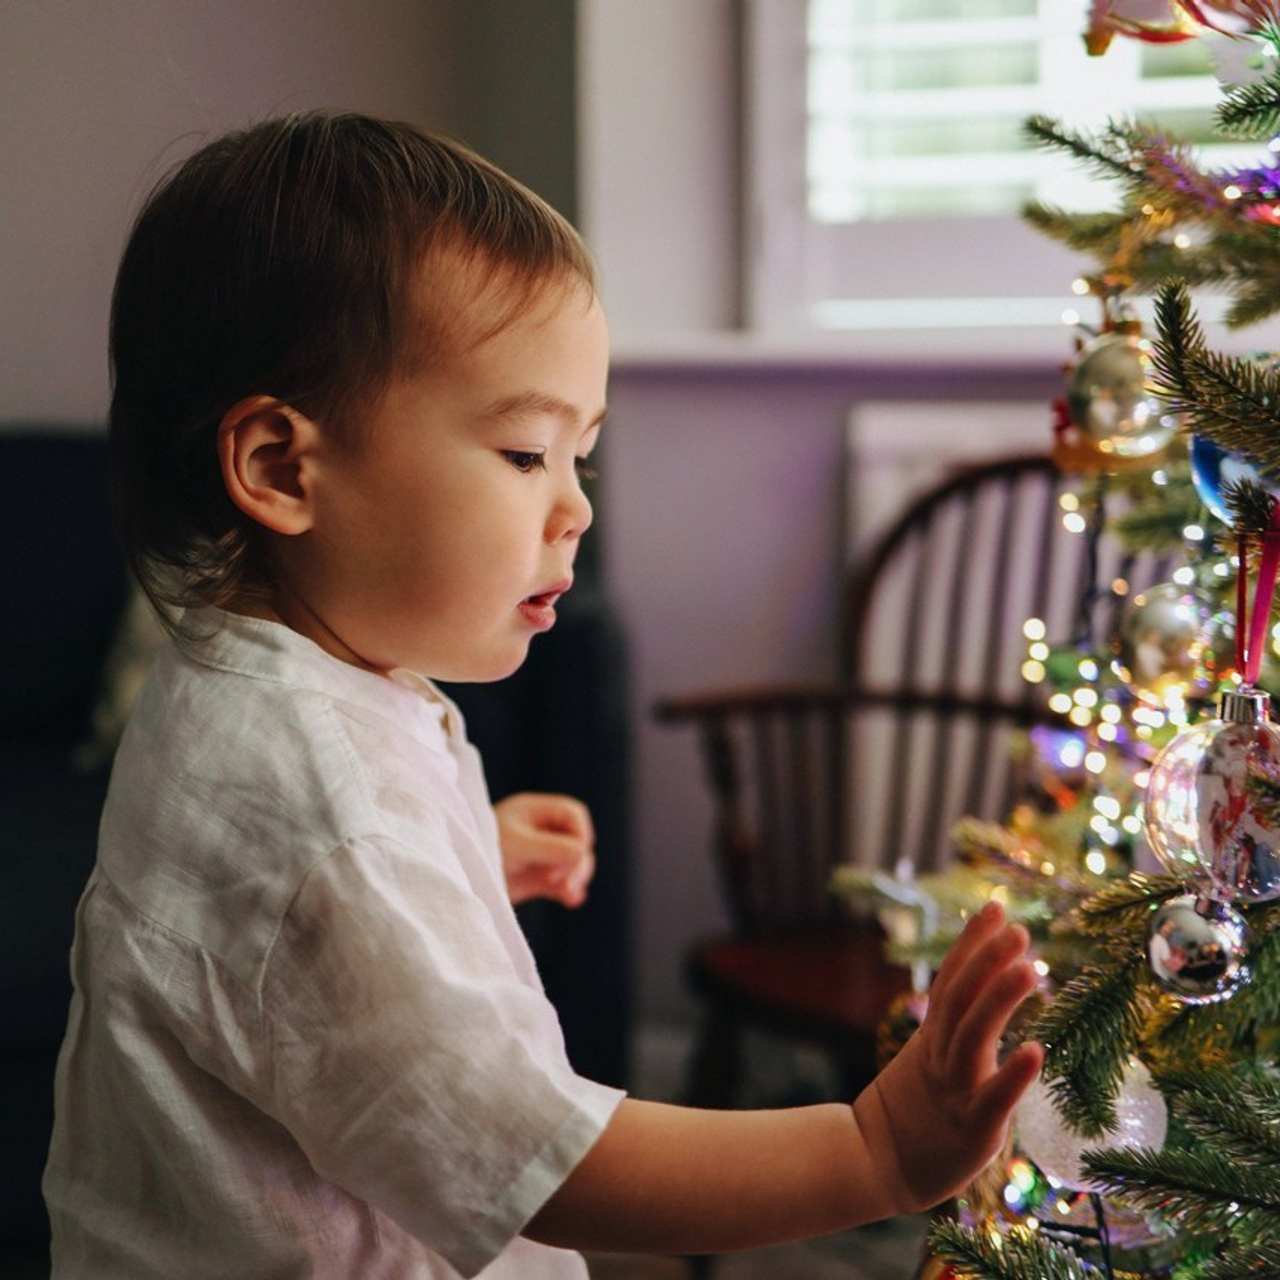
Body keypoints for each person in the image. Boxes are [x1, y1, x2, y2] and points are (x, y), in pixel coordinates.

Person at [43, 111, 1043, 1279]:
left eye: (584, 456)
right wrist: (870, 1150)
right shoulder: (330, 822)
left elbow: (265, 922)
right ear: (280, 466)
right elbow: (541, 1164)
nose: (574, 507)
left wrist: (460, 849)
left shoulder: (247, 684)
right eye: (525, 453)